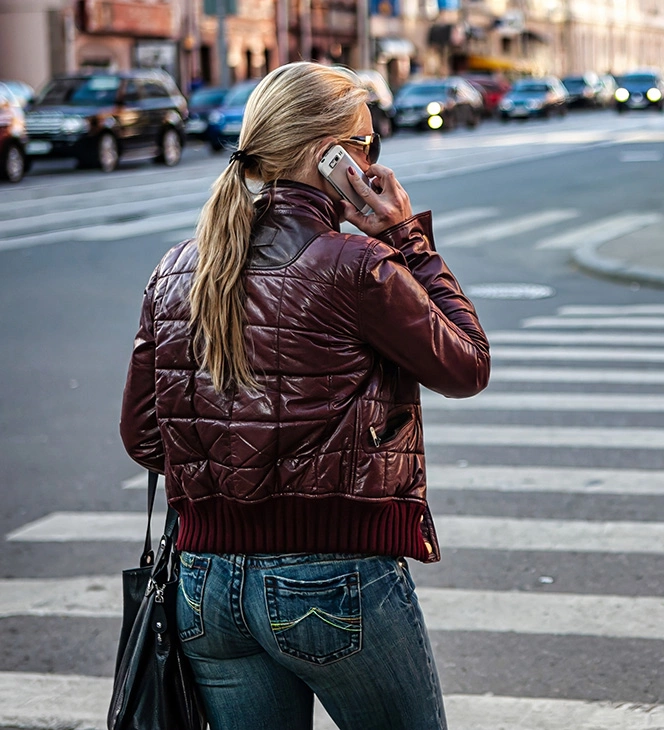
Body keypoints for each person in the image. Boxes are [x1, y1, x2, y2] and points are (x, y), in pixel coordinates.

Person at [119, 62, 490, 730]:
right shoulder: (358, 265)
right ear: (331, 157)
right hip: (331, 577)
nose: (374, 163)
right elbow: (466, 365)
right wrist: (404, 236)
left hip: (205, 585)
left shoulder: (176, 267)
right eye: (367, 145)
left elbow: (146, 439)